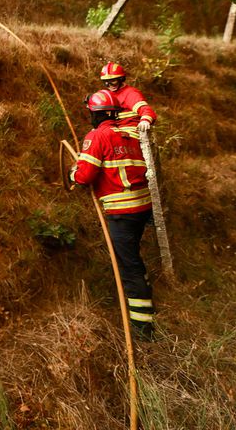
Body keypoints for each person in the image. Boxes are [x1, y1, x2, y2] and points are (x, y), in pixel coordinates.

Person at [71, 91, 156, 340]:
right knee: (133, 257)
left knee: (128, 267)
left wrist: (73, 174)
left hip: (122, 212)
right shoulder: (130, 135)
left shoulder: (97, 136)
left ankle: (143, 328)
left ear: (95, 114)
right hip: (141, 209)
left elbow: (85, 176)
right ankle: (146, 291)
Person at [99, 62, 158, 141]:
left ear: (121, 79)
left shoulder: (130, 94)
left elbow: (147, 110)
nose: (110, 85)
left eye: (113, 81)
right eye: (106, 83)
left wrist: (145, 121)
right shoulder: (109, 95)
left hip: (130, 135)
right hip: (115, 131)